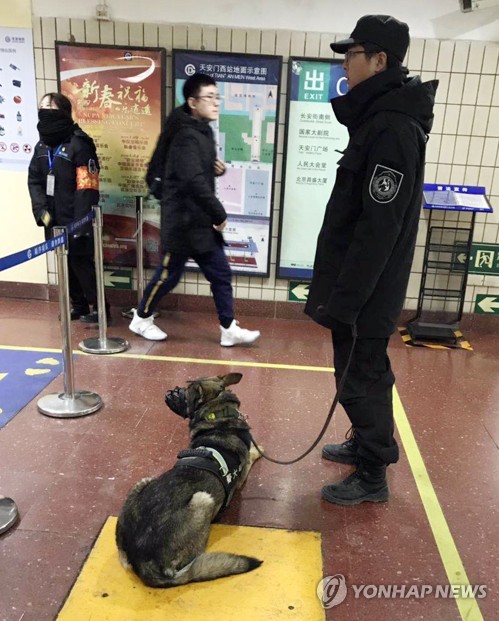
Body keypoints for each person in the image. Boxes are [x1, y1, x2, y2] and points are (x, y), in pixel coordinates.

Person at [305, 15, 438, 505]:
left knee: (361, 376)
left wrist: (349, 299)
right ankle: (365, 442)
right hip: (361, 285)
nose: (345, 62)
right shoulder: (380, 118)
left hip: (366, 290)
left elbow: (379, 227)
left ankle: (372, 473)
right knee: (360, 369)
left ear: (379, 60)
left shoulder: (392, 128)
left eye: (352, 53)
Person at [130, 73, 260, 347]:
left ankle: (228, 328)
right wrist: (219, 213)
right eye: (209, 97)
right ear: (192, 102)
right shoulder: (186, 135)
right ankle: (141, 318)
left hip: (198, 222)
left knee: (220, 273)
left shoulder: (202, 130)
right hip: (182, 222)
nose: (216, 103)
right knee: (168, 276)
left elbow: (196, 170)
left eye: (217, 97)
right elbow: (192, 181)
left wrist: (215, 166)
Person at [28, 92, 109, 324]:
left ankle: (101, 308)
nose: (45, 111)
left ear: (63, 112)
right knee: (64, 263)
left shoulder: (79, 144)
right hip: (52, 218)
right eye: (42, 107)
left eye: (50, 108)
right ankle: (79, 305)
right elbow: (34, 179)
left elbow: (88, 187)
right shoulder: (41, 146)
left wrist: (80, 224)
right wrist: (40, 210)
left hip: (77, 218)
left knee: (81, 263)